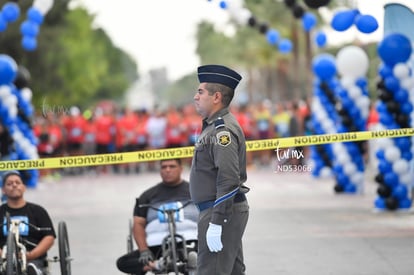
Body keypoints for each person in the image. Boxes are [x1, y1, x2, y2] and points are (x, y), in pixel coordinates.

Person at [190, 64, 250, 275]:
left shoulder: (221, 131)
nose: (196, 97)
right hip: (222, 211)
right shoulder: (213, 126)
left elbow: (228, 179)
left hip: (221, 212)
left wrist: (217, 222)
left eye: (200, 92)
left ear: (216, 97)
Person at [116, 159, 198, 275]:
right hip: (157, 245)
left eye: (172, 166)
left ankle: (190, 260)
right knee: (124, 262)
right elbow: (138, 224)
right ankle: (159, 264)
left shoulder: (195, 191)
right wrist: (144, 250)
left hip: (190, 239)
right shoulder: (147, 196)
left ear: (181, 168)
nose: (167, 170)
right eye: (164, 167)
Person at [0, 170, 56, 275]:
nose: (14, 185)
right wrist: (3, 254)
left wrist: (31, 254)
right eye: (9, 184)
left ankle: (35, 270)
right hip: (4, 258)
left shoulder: (38, 211)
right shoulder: (1, 211)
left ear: (24, 187)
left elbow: (49, 237)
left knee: (32, 268)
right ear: (3, 190)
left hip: (33, 258)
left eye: (18, 182)